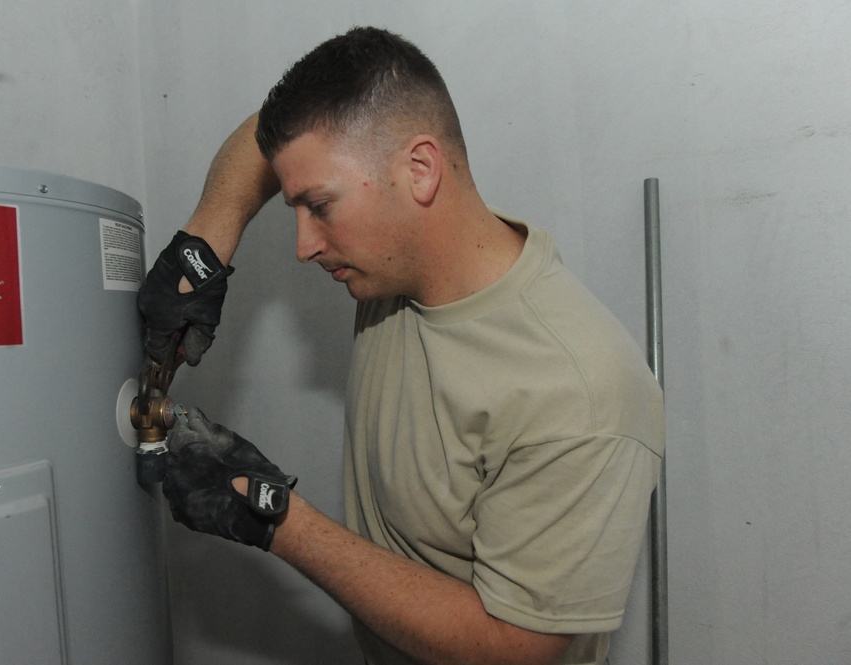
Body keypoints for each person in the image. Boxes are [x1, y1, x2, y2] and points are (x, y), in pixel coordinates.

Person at [138, 26, 664, 665]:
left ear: (419, 170)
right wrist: (205, 243)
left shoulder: (578, 391)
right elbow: (274, 134)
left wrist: (275, 518)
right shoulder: (395, 271)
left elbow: (517, 648)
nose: (304, 245)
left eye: (319, 206)